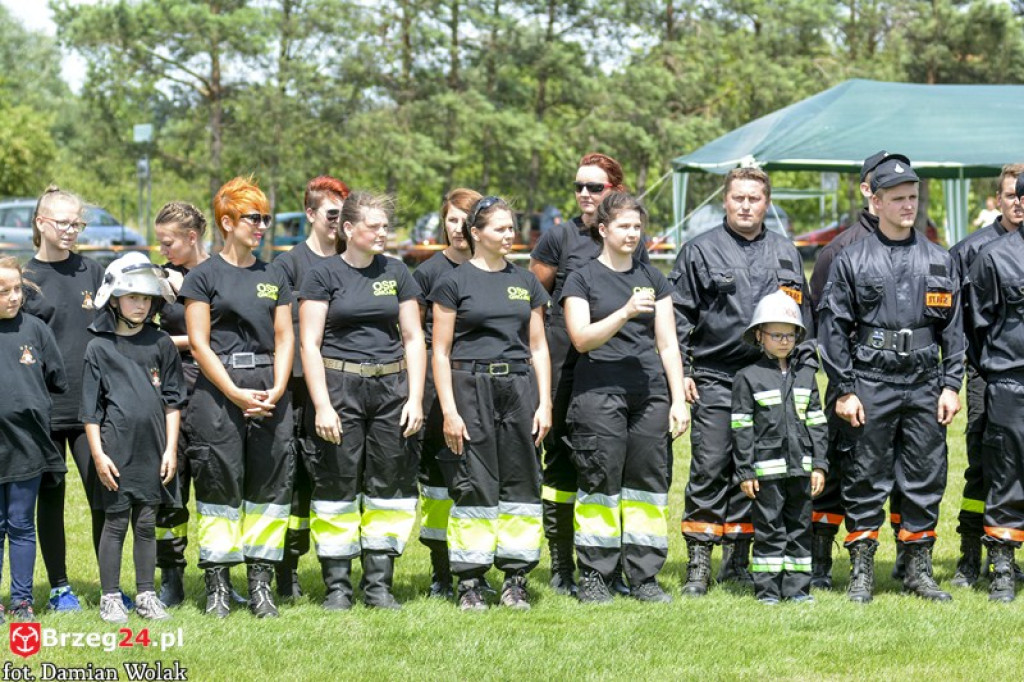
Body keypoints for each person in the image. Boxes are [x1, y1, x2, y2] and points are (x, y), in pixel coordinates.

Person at [818, 156, 963, 603]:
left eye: (913, 197)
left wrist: (951, 385)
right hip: (871, 380)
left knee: (924, 476)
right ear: (876, 202)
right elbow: (833, 329)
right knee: (865, 475)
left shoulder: (939, 259)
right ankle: (861, 570)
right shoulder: (852, 258)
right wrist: (844, 390)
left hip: (924, 382)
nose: (908, 205)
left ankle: (918, 570)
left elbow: (954, 330)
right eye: (898, 198)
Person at [670, 167, 813, 597]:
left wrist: (805, 371)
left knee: (755, 470)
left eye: (754, 198)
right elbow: (678, 317)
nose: (746, 206)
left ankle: (737, 559)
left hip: (769, 380)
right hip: (715, 376)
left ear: (766, 202)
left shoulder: (786, 253)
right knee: (711, 466)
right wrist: (684, 371)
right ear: (725, 201)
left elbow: (803, 318)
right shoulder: (700, 251)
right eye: (738, 198)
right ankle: (699, 561)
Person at [298, 191, 425, 611]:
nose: (383, 233)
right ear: (349, 228)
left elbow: (413, 338)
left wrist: (415, 398)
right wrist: (322, 405)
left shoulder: (397, 272)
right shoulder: (322, 274)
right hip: (340, 387)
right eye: (374, 226)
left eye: (386, 226)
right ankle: (337, 586)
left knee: (389, 485)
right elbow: (310, 343)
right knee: (336, 483)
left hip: (391, 390)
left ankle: (378, 585)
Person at [529, 153, 649, 596]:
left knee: (609, 465)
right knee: (562, 460)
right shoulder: (558, 237)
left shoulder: (631, 236)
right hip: (565, 357)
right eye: (579, 185)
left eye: (594, 187)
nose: (584, 193)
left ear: (614, 190)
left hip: (612, 361)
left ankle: (609, 566)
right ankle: (562, 563)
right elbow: (533, 298)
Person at [561, 192, 688, 604]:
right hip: (598, 392)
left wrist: (678, 398)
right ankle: (595, 575)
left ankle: (644, 576)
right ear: (603, 229)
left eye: (637, 226)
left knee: (647, 488)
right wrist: (625, 312)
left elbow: (667, 344)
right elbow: (581, 339)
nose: (632, 233)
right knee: (599, 483)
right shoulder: (581, 278)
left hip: (649, 394)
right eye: (623, 226)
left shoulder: (654, 278)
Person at [179, 176, 295, 618]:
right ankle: (219, 586)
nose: (262, 225)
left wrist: (278, 388)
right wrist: (233, 392)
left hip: (269, 387)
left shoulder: (275, 274)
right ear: (227, 222)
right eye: (253, 218)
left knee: (269, 486)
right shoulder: (203, 276)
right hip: (219, 391)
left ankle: (261, 585)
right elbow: (198, 343)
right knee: (218, 486)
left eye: (265, 218)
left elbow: (284, 337)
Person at [431, 196, 551, 611]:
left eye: (511, 227)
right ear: (476, 233)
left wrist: (545, 403)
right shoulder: (453, 283)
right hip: (470, 387)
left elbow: (538, 347)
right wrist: (449, 410)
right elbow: (440, 352)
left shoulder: (526, 282)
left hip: (518, 388)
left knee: (522, 484)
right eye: (500, 228)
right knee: (474, 482)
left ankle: (515, 579)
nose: (508, 234)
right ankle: (470, 581)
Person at [808, 151, 909, 589]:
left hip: (905, 381)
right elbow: (823, 323)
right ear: (869, 190)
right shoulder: (840, 250)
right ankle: (819, 560)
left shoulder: (916, 246)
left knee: (907, 472)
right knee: (835, 470)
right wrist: (843, 383)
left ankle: (908, 560)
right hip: (850, 379)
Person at [81, 253, 185, 623]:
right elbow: (90, 411)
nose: (140, 305)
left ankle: (146, 595)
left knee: (145, 523)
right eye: (132, 297)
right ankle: (110, 597)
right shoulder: (98, 347)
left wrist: (170, 449)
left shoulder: (161, 343)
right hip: (115, 450)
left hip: (153, 449)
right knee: (115, 523)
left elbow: (173, 401)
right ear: (113, 300)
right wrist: (98, 455)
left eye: (146, 298)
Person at [21, 185, 105, 612]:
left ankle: (111, 587)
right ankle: (59, 588)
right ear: (41, 223)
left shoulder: (93, 271)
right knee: (50, 501)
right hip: (45, 411)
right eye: (63, 223)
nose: (72, 230)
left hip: (92, 409)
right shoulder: (24, 281)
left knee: (104, 498)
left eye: (78, 223)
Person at [271, 175, 350, 600]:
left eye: (344, 214)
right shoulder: (287, 266)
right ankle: (287, 570)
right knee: (292, 479)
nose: (338, 222)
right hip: (297, 390)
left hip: (344, 388)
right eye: (332, 214)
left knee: (335, 479)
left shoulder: (353, 261)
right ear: (310, 214)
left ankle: (339, 574)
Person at [949, 164, 1024, 588]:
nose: (1017, 203)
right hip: (990, 373)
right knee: (985, 464)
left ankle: (1006, 556)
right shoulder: (975, 251)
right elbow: (966, 324)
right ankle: (971, 555)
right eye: (1010, 195)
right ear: (999, 199)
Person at [732, 291, 827, 604]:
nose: (784, 341)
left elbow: (817, 423)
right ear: (759, 335)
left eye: (790, 335)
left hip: (801, 469)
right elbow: (742, 429)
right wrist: (745, 471)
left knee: (800, 528)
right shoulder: (748, 378)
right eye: (776, 335)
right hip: (766, 472)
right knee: (769, 529)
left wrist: (819, 465)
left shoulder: (806, 376)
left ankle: (798, 590)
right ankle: (768, 591)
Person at [410, 187, 481, 599]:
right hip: (437, 391)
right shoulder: (427, 273)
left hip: (481, 386)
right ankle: (440, 570)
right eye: (452, 220)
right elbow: (415, 336)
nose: (459, 228)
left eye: (466, 220)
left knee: (478, 479)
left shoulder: (496, 271)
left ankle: (476, 569)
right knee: (437, 484)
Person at [152, 201, 214, 607]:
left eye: (168, 242)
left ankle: (217, 576)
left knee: (215, 489)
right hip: (171, 392)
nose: (162, 250)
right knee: (169, 489)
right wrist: (193, 341)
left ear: (192, 237)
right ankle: (171, 576)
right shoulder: (158, 280)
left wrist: (192, 341)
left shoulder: (220, 274)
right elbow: (139, 331)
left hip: (214, 391)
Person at [0, 256, 67, 622]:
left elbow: (56, 378)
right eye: (3, 291)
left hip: (27, 445)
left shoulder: (36, 330)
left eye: (17, 290)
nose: (13, 297)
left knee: (21, 523)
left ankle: (22, 601)